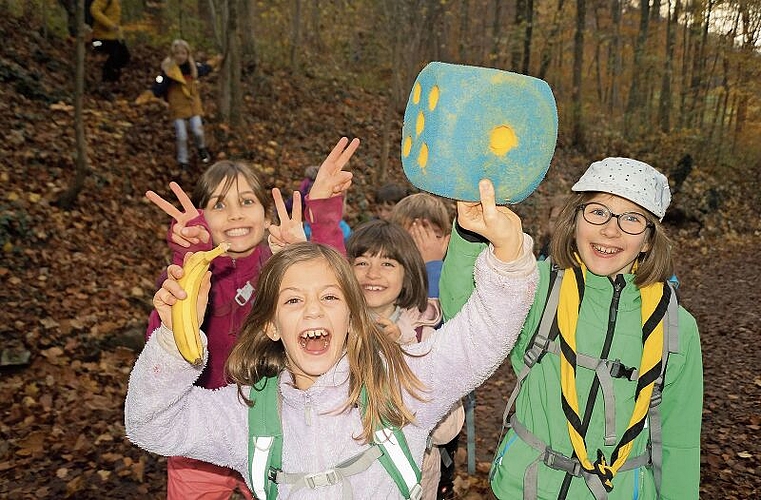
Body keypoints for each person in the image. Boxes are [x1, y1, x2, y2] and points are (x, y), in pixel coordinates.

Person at [125, 179, 539, 499]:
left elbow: (484, 332)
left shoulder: (401, 383)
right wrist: (174, 341)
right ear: (270, 325)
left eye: (328, 296)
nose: (312, 310)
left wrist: (507, 251)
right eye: (292, 300)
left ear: (352, 316)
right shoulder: (247, 412)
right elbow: (151, 423)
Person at [440, 158, 703, 499]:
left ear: (650, 240)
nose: (611, 230)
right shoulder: (537, 288)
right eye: (598, 212)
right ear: (575, 219)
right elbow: (464, 316)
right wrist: (470, 233)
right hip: (524, 489)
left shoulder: (676, 327)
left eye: (632, 219)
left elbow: (679, 443)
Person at [142, 137, 359, 500]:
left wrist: (321, 215)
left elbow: (336, 299)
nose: (236, 214)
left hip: (274, 427)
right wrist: (189, 259)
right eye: (219, 205)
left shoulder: (278, 272)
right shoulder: (193, 275)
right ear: (201, 218)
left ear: (264, 213)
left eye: (247, 202)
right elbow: (163, 348)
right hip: (202, 434)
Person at [345, 219, 464, 500]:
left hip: (414, 478)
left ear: (407, 275)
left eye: (388, 264)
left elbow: (447, 430)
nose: (373, 274)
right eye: (362, 262)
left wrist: (405, 349)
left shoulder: (425, 335)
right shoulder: (332, 330)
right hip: (350, 478)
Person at [152, 39, 213, 169]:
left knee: (198, 130)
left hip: (192, 105)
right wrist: (154, 91)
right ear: (173, 55)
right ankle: (183, 160)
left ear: (188, 54)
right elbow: (159, 86)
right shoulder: (169, 71)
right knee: (181, 135)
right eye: (177, 53)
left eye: (183, 53)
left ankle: (201, 148)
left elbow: (206, 68)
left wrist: (217, 61)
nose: (180, 56)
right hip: (177, 106)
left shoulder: (193, 67)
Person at [89, 0, 130, 84]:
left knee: (125, 56)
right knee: (115, 54)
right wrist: (109, 25)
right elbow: (94, 10)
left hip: (112, 38)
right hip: (97, 41)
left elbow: (116, 21)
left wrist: (121, 36)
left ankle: (113, 77)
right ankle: (108, 79)